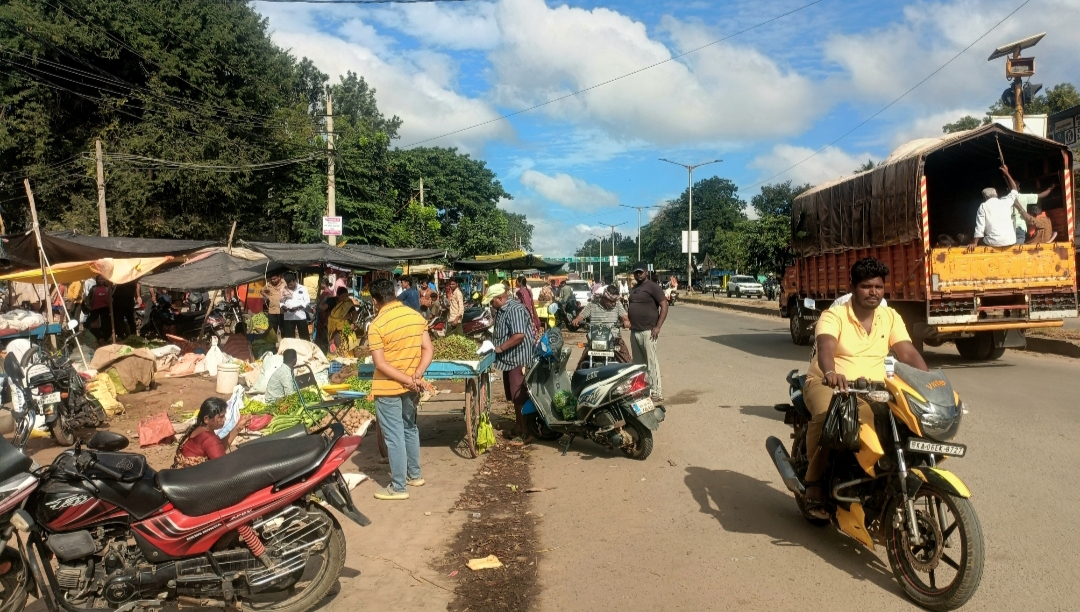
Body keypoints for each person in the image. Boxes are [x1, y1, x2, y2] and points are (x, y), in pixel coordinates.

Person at [801, 258, 928, 517]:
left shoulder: (890, 316)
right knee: (831, 417)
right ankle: (813, 483)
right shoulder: (834, 315)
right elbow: (826, 348)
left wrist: (927, 381)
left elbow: (908, 353)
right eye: (866, 286)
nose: (873, 292)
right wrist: (830, 373)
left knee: (905, 421)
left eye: (879, 287)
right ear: (853, 287)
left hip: (875, 386)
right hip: (830, 383)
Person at [367, 279, 433, 500]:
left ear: (376, 301)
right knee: (409, 429)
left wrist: (407, 379)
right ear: (395, 294)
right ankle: (414, 475)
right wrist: (417, 375)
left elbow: (380, 364)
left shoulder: (377, 325)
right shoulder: (416, 316)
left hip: (388, 388)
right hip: (411, 385)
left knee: (394, 436)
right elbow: (428, 349)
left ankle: (398, 487)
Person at [486, 283, 535, 445]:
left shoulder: (515, 309)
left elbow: (519, 335)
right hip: (509, 358)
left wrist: (500, 348)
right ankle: (518, 426)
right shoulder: (502, 309)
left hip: (518, 357)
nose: (491, 304)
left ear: (500, 298)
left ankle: (526, 432)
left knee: (519, 396)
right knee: (514, 396)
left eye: (492, 300)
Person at [627, 262, 668, 401]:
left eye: (640, 272)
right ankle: (640, 390)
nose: (638, 274)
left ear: (646, 272)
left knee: (651, 363)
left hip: (648, 331)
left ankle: (656, 392)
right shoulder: (635, 288)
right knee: (638, 365)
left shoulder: (653, 287)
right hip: (635, 331)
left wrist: (658, 327)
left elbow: (664, 305)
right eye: (636, 272)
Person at [172, 398, 251, 468]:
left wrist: (239, 426)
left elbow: (217, 448)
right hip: (193, 480)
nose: (224, 419)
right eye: (221, 416)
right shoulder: (209, 438)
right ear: (206, 419)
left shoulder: (198, 428)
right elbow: (223, 466)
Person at [572, 284, 630, 368]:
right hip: (595, 337)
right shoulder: (593, 304)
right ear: (604, 298)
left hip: (614, 337)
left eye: (614, 301)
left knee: (627, 361)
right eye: (610, 301)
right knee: (581, 365)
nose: (613, 303)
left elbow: (625, 317)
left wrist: (626, 322)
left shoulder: (617, 304)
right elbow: (582, 314)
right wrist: (577, 320)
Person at [967, 165, 1020, 250]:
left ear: (984, 197)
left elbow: (980, 227)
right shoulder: (1005, 202)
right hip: (1011, 240)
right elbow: (1015, 189)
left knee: (982, 240)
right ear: (997, 195)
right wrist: (1007, 173)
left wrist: (974, 243)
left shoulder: (983, 206)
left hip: (994, 242)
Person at [326, 287, 358, 355]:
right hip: (334, 328)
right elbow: (330, 315)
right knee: (335, 344)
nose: (345, 298)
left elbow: (354, 313)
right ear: (338, 296)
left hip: (346, 327)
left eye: (346, 296)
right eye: (342, 296)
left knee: (346, 344)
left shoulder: (348, 303)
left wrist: (353, 323)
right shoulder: (333, 302)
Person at [280, 272, 310, 341]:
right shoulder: (284, 289)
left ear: (295, 281)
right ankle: (291, 351)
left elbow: (307, 301)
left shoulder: (302, 288)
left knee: (304, 338)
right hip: (288, 317)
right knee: (290, 338)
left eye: (291, 284)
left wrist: (297, 307)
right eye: (288, 284)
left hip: (300, 316)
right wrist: (283, 306)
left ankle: (305, 351)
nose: (289, 286)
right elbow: (281, 301)